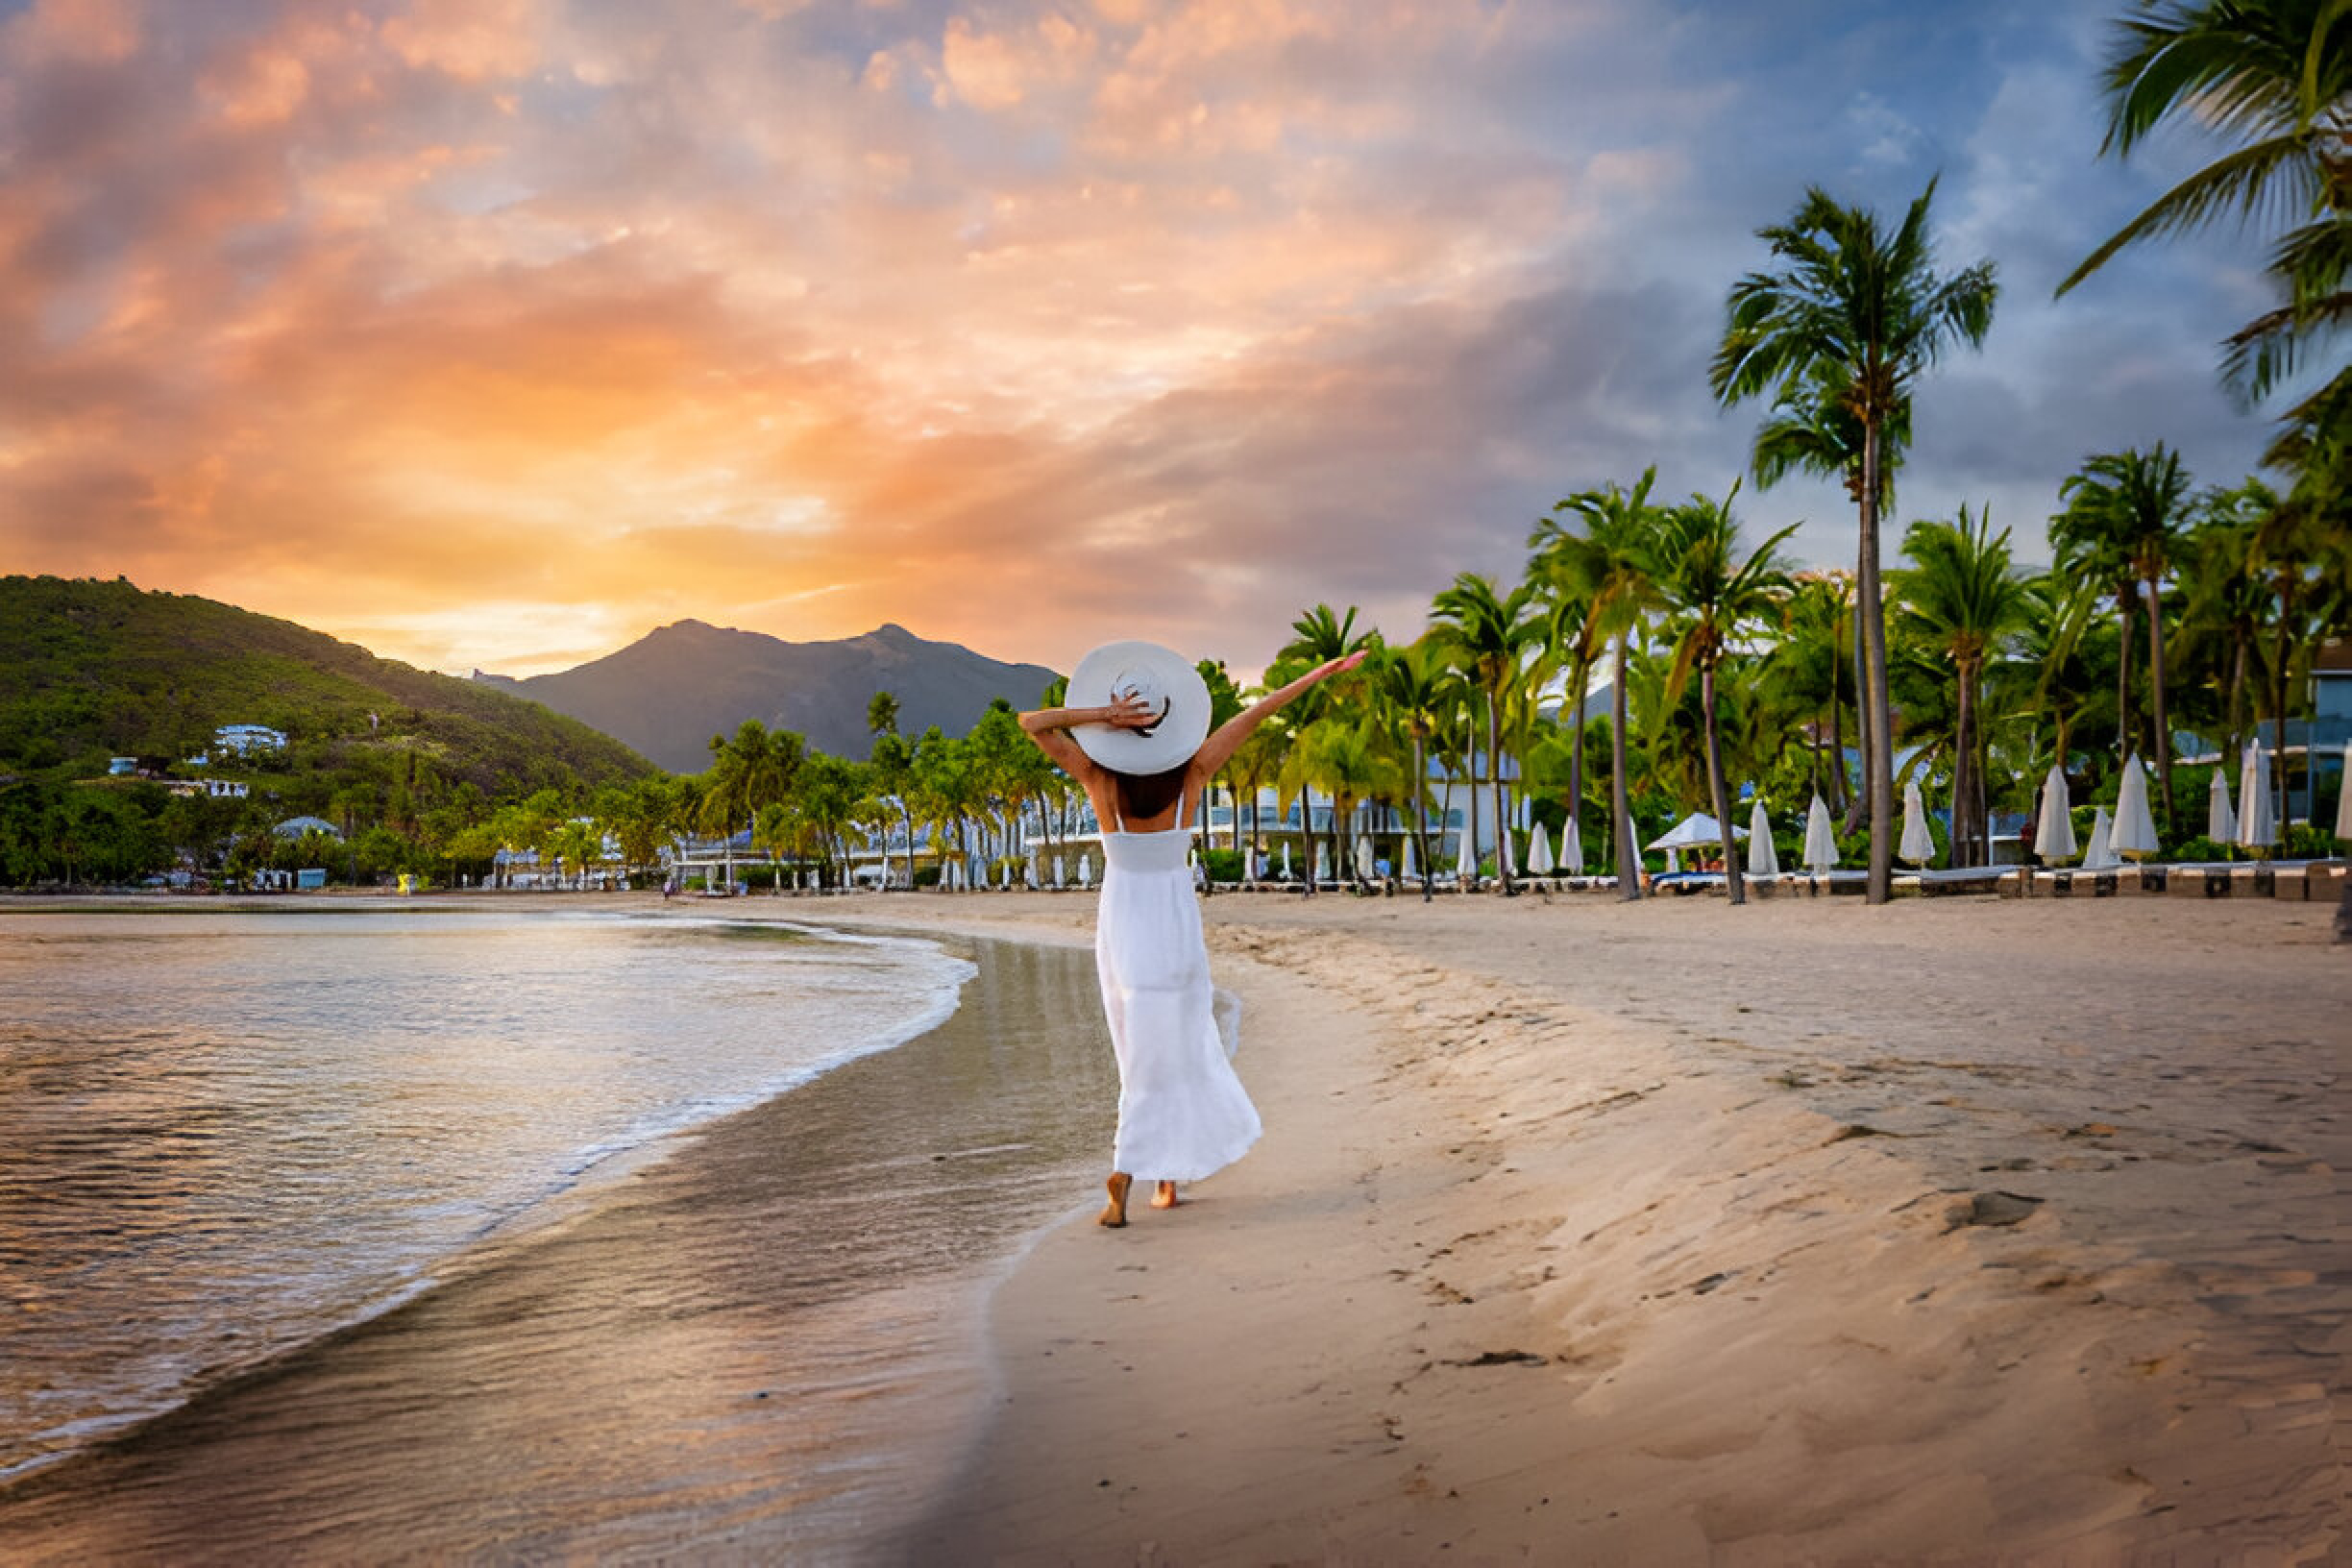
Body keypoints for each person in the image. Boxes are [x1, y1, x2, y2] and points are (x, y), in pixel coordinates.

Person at [1021, 641, 1366, 1227]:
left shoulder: (1097, 780)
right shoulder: (1193, 774)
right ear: (1170, 725)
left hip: (1125, 927)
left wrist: (1101, 717)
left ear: (1123, 729)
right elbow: (1258, 713)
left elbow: (1033, 722)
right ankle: (1155, 1179)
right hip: (1175, 929)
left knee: (1139, 1051)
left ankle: (1132, 1172)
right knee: (1175, 1050)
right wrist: (1317, 674)